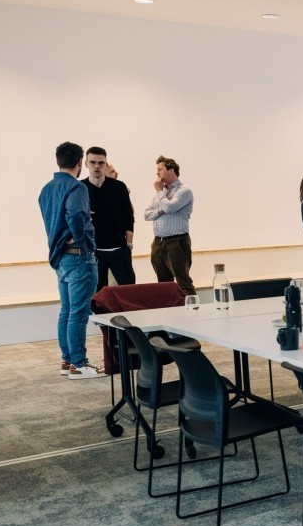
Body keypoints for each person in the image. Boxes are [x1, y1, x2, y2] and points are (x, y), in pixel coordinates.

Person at [37, 141, 99, 379]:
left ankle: (67, 361)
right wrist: (80, 236)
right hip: (78, 258)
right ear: (80, 162)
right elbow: (75, 214)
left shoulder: (46, 189)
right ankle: (79, 364)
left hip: (60, 258)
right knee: (78, 313)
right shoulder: (77, 188)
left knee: (67, 310)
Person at [82, 146, 135, 290]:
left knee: (129, 292)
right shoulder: (80, 188)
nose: (97, 166)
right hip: (94, 252)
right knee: (98, 296)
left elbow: (128, 217)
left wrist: (128, 244)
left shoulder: (119, 187)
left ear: (106, 164)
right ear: (86, 163)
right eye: (92, 162)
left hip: (119, 250)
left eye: (101, 163)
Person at [144, 155, 195, 296]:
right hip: (158, 242)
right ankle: (170, 314)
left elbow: (170, 208)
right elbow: (147, 215)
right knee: (163, 284)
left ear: (171, 170)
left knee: (183, 282)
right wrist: (161, 209)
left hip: (176, 242)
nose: (157, 173)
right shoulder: (161, 193)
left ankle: (193, 313)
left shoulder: (184, 191)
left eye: (159, 169)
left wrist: (160, 192)